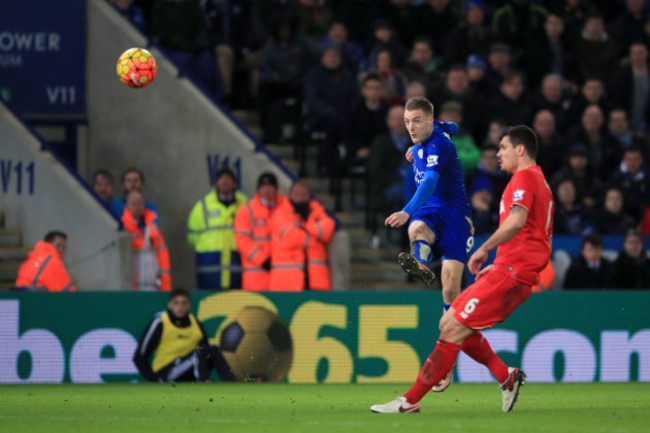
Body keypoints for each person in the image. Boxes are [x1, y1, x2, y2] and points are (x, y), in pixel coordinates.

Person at [372, 125, 553, 414]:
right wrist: (501, 260)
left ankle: (409, 401)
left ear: (521, 149)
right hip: (510, 269)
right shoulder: (539, 181)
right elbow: (539, 236)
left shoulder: (524, 178)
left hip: (512, 272)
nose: (498, 154)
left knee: (451, 326)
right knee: (451, 323)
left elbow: (517, 222)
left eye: (504, 147)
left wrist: (485, 248)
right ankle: (506, 377)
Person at [385, 96, 474, 390]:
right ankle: (420, 262)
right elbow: (456, 126)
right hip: (430, 212)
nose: (410, 127)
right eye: (407, 121)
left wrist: (406, 209)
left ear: (429, 121)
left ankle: (448, 364)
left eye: (416, 121)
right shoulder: (433, 136)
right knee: (418, 227)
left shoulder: (439, 145)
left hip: (456, 216)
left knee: (450, 289)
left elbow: (430, 181)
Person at [133, 287, 236, 383]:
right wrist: (155, 380)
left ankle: (232, 384)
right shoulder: (160, 323)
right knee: (200, 352)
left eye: (184, 303)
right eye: (176, 303)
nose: (180, 307)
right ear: (169, 305)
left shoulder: (195, 323)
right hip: (167, 372)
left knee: (212, 349)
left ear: (189, 305)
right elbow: (139, 357)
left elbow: (206, 353)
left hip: (189, 372)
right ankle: (203, 383)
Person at [269, 180, 335, 291]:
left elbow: (328, 227)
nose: (300, 198)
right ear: (290, 195)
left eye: (303, 195)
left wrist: (304, 227)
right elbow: (290, 237)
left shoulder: (316, 209)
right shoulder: (280, 212)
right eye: (297, 194)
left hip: (316, 282)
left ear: (308, 196)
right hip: (287, 283)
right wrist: (316, 237)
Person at [187, 167, 247, 290]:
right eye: (221, 178)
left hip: (236, 266)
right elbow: (192, 237)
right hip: (209, 269)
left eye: (228, 178)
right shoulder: (202, 205)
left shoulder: (244, 204)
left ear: (234, 182)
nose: (225, 181)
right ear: (216, 182)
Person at [234, 172, 285, 291]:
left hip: (282, 276)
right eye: (263, 187)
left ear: (276, 189)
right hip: (256, 277)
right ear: (258, 189)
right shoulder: (246, 210)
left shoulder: (286, 207)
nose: (266, 190)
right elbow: (242, 241)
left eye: (270, 186)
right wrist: (262, 259)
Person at [122, 191, 171, 291]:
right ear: (127, 206)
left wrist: (165, 287)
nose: (137, 207)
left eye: (140, 204)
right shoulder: (123, 228)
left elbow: (162, 256)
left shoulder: (153, 226)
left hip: (152, 283)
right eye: (134, 204)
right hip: (132, 286)